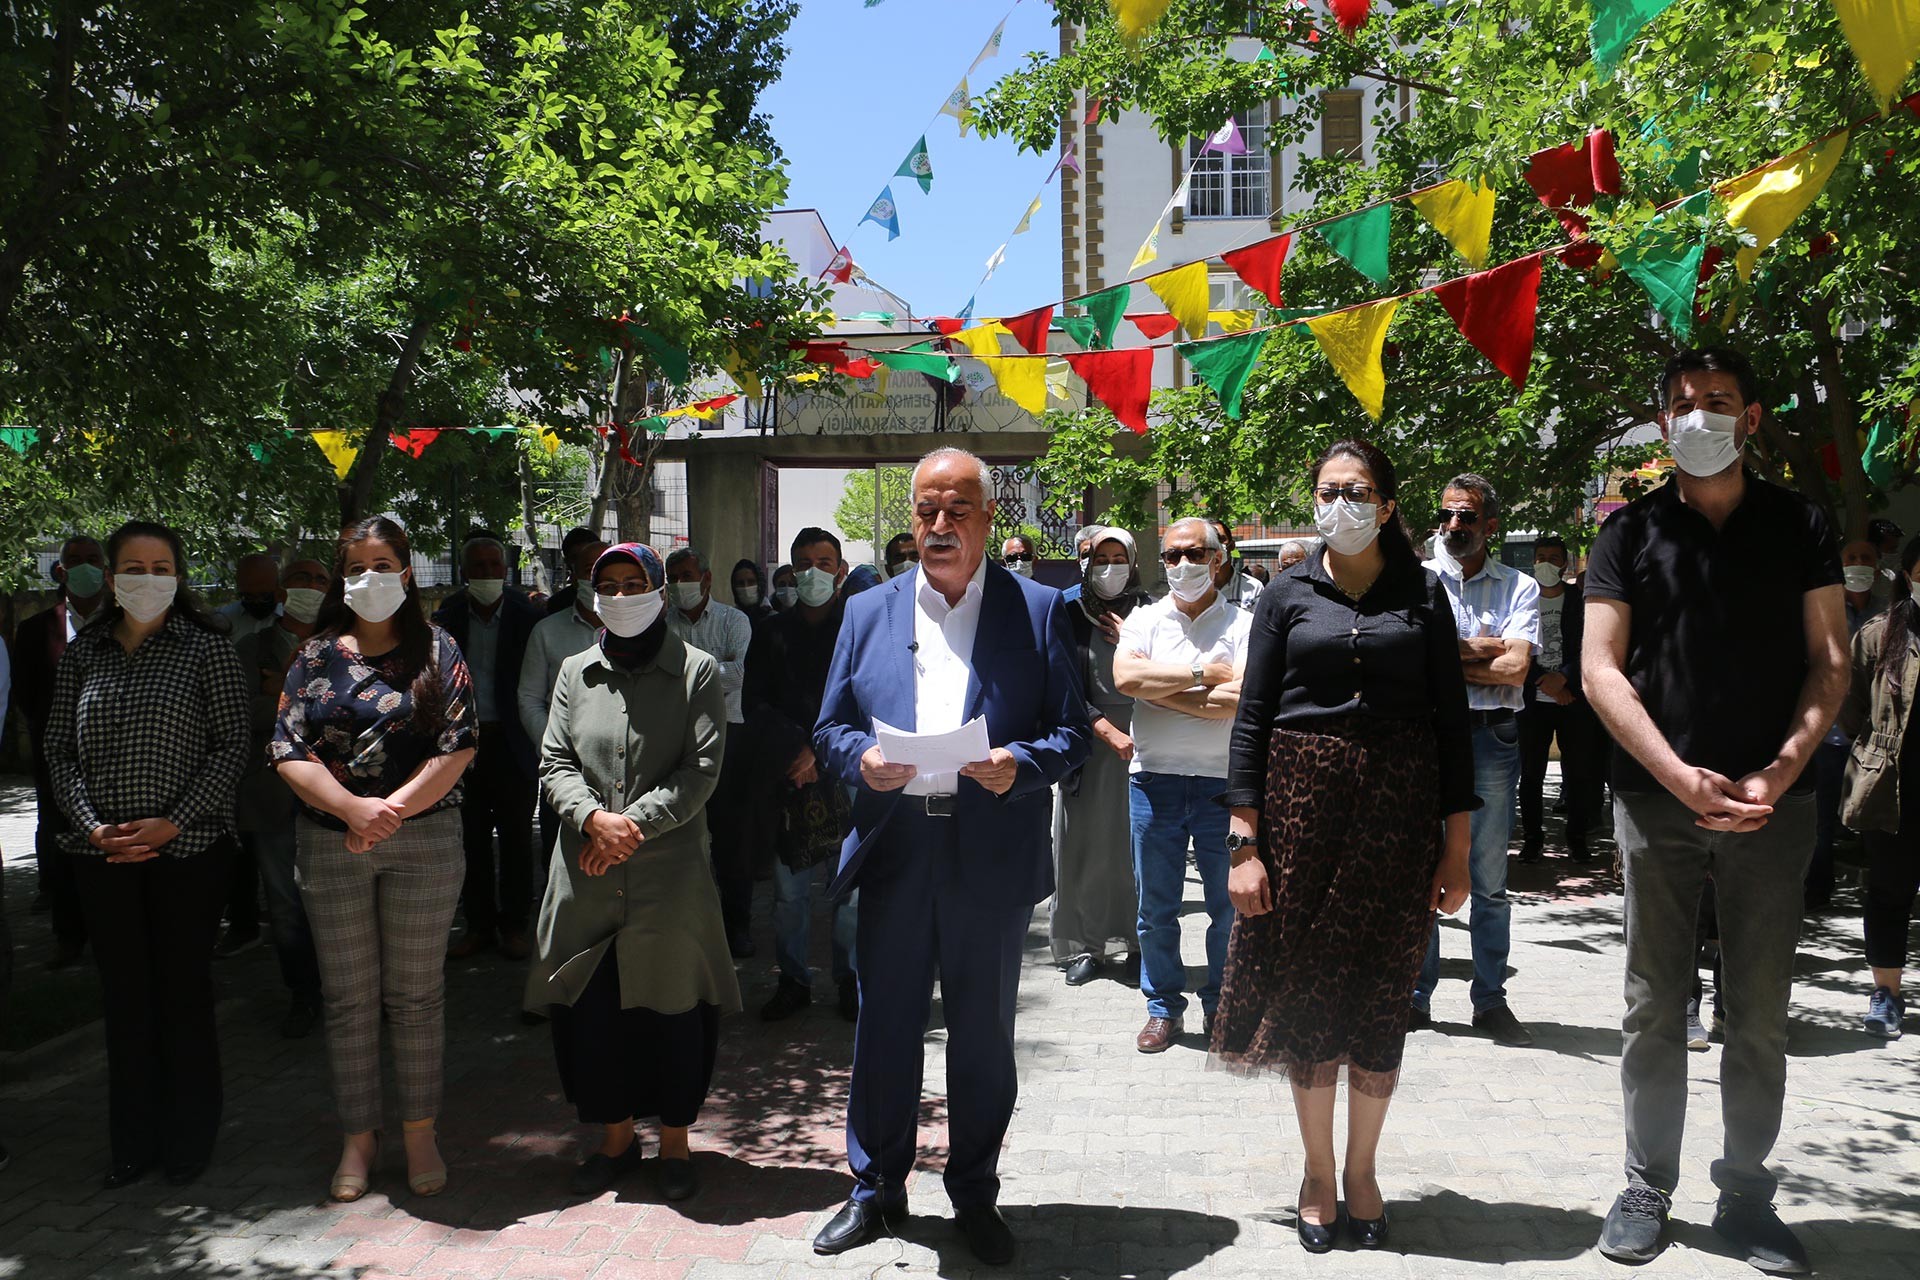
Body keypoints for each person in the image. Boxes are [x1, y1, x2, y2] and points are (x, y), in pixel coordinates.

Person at [1583, 347, 1846, 1274]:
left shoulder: (1802, 525)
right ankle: (1647, 1185)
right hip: (1658, 806)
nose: (1701, 417)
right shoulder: (1626, 534)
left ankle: (1744, 1193)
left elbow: (1831, 661)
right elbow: (1600, 670)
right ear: (1663, 424)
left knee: (1761, 1011)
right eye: (1685, 405)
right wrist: (1676, 773)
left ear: (1753, 416)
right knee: (1653, 1004)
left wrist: (1778, 772)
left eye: (1719, 402)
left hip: (1779, 807)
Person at [811, 447, 1089, 1265]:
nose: (939, 526)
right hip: (898, 851)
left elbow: (1073, 734)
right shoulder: (868, 612)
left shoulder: (1036, 610)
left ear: (987, 516)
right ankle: (876, 1191)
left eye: (956, 510)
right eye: (926, 511)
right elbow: (828, 728)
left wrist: (1021, 766)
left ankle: (974, 1194)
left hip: (988, 855)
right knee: (885, 1031)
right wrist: (858, 758)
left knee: (981, 1041)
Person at [1214, 438, 1474, 1252]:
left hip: (1399, 817)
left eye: (1358, 491)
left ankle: (1364, 1169)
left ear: (1389, 506)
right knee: (1311, 995)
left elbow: (1454, 730)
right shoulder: (1285, 593)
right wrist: (1243, 842)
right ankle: (1319, 1172)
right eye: (1328, 490)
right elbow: (1252, 719)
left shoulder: (1425, 595)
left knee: (1380, 993)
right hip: (1298, 814)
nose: (1341, 504)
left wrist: (1457, 849)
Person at [271, 515, 478, 1203]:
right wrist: (350, 810)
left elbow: (460, 746)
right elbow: (287, 748)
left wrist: (389, 813)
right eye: (356, 567)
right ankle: (359, 1136)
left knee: (415, 998)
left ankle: (420, 1129)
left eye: (383, 564)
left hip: (423, 843)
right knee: (349, 999)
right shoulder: (314, 655)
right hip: (332, 842)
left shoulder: (440, 649)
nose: (370, 579)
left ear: (408, 571)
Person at [525, 543, 742, 1201]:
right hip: (584, 872)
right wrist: (593, 820)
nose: (621, 596)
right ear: (592, 595)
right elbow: (555, 760)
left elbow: (700, 770)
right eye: (608, 585)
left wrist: (630, 828)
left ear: (657, 589)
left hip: (669, 877)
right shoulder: (572, 673)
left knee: (673, 1011)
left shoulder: (697, 670)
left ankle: (675, 1143)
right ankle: (615, 1139)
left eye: (635, 583)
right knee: (591, 1014)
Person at [44, 520, 251, 1189]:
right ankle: (132, 1142)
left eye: (162, 567)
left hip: (188, 850)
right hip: (101, 853)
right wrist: (91, 825)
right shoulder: (85, 653)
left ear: (179, 576)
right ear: (111, 577)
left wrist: (173, 821)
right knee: (126, 998)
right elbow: (56, 751)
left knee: (181, 995)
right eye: (134, 566)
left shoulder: (206, 649)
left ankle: (188, 1139)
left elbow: (231, 748)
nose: (148, 578)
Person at [1112, 518, 1252, 1051]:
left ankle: (1222, 1005)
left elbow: (1243, 700)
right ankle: (1162, 1008)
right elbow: (1126, 680)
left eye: (1194, 553)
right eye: (1171, 555)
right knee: (1156, 910)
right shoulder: (1143, 620)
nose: (1182, 565)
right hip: (1154, 782)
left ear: (1218, 559)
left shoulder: (1244, 624)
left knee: (1226, 908)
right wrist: (1205, 676)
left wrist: (1161, 687)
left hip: (1224, 785)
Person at [1413, 475, 1539, 1047]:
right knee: (1421, 866)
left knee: (1488, 877)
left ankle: (1489, 1000)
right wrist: (1487, 648)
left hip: (1492, 739)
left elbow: (1516, 670)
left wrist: (1444, 657)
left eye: (1467, 517)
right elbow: (1411, 663)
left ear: (1491, 525)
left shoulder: (1520, 587)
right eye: (1447, 516)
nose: (1454, 526)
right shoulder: (1415, 581)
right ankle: (1415, 995)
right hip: (1425, 736)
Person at [746, 527, 860, 1023]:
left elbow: (869, 697)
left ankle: (850, 979)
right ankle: (793, 980)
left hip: (850, 771)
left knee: (850, 889)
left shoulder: (859, 626)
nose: (815, 571)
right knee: (790, 893)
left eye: (825, 560)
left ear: (841, 569)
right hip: (789, 774)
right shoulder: (770, 632)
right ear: (791, 571)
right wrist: (797, 748)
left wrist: (820, 750)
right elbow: (754, 702)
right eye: (805, 563)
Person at [231, 558, 331, 1038]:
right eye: (299, 578)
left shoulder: (347, 645)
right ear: (280, 589)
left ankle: (349, 991)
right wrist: (297, 698)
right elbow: (240, 714)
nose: (310, 587)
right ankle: (304, 995)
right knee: (285, 903)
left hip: (338, 794)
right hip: (272, 794)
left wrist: (285, 692)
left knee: (338, 896)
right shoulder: (251, 646)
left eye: (318, 579)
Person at [435, 533, 542, 960]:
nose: (485, 574)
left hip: (513, 743)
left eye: (493, 566)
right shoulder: (447, 617)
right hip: (463, 745)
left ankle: (514, 925)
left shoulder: (527, 617)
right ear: (464, 573)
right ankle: (478, 926)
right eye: (476, 567)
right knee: (471, 839)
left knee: (517, 838)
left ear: (505, 571)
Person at [1051, 528, 1150, 987]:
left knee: (1138, 852)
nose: (1110, 567)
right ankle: (1084, 947)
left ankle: (1137, 945)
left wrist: (1132, 637)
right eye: (1101, 558)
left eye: (1119, 557)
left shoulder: (1152, 612)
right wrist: (1104, 729)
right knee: (1084, 849)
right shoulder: (1068, 612)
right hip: (1088, 746)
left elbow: (1168, 669)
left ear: (1133, 562)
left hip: (1148, 743)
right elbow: (1060, 681)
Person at [1839, 534, 1920, 1040]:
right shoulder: (1878, 634)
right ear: (1908, 574)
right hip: (1893, 787)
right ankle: (1886, 992)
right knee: (1889, 891)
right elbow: (1849, 711)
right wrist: (1877, 752)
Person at [14, 535, 107, 967]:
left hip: (119, 761)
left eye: (93, 560)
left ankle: (113, 936)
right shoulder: (36, 631)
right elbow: (27, 695)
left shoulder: (124, 621)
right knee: (63, 847)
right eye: (76, 560)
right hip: (60, 761)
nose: (84, 567)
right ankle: (69, 936)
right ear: (61, 569)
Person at [664, 547, 756, 957]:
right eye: (673, 576)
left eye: (686, 575)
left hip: (728, 736)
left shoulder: (734, 620)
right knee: (682, 834)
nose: (679, 584)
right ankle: (688, 925)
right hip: (676, 740)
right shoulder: (661, 623)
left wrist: (684, 669)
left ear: (705, 578)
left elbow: (737, 676)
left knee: (732, 839)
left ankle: (739, 926)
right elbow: (660, 679)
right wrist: (711, 669)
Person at [520, 536, 608, 875]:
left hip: (624, 772)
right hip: (564, 772)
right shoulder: (546, 632)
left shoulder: (640, 633)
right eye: (590, 569)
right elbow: (529, 697)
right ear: (573, 576)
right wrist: (556, 750)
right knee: (561, 861)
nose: (598, 578)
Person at [1808, 539, 1884, 910]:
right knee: (1820, 822)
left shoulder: (1889, 616)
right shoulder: (1822, 613)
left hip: (1872, 741)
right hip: (1826, 737)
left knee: (1874, 820)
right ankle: (1817, 893)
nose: (1858, 564)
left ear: (1879, 564)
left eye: (1865, 558)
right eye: (1851, 558)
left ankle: (1880, 894)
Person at [1517, 536, 1598, 864]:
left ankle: (1577, 839)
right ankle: (1532, 840)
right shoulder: (1521, 599)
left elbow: (1589, 645)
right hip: (1531, 702)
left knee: (1578, 772)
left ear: (1565, 563)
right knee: (1531, 774)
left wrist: (1564, 677)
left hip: (1573, 700)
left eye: (1553, 557)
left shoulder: (1580, 600)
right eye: (1540, 557)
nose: (1546, 563)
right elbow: (1512, 643)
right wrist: (1543, 680)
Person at [216, 552, 282, 641]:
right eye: (248, 596)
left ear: (278, 588)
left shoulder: (296, 618)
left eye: (264, 596)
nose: (257, 602)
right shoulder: (223, 619)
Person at [1207, 518, 1263, 614]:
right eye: (1211, 540)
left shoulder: (1254, 588)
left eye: (1221, 539)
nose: (1217, 545)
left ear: (1232, 545)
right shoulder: (1195, 587)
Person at [545, 527, 602, 617]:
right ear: (567, 562)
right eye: (576, 557)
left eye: (587, 556)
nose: (583, 562)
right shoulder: (558, 603)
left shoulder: (619, 592)